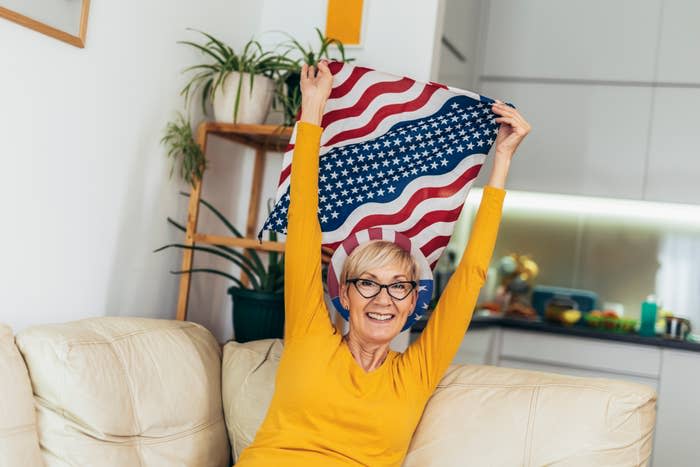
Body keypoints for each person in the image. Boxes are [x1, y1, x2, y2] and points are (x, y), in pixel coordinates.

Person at [236, 60, 531, 466]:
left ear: (413, 302)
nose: (383, 298)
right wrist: (314, 112)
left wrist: (502, 160)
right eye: (367, 283)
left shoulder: (416, 372)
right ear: (344, 294)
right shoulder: (310, 335)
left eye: (399, 286)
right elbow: (304, 222)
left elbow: (471, 277)